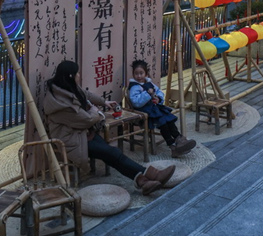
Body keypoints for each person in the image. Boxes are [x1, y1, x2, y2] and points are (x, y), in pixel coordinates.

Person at [43, 60, 175, 195]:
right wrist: (97, 111)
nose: (79, 75)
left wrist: (103, 102)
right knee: (112, 153)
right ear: (70, 76)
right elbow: (88, 119)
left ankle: (144, 181)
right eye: (77, 73)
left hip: (82, 133)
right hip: (71, 140)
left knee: (112, 153)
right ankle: (151, 175)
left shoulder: (64, 87)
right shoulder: (60, 103)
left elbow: (86, 95)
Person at [128, 60, 196, 158]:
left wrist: (158, 98)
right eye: (136, 73)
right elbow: (136, 102)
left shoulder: (148, 82)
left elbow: (159, 92)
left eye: (141, 73)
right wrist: (147, 93)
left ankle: (179, 139)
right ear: (133, 74)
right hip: (146, 112)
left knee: (169, 120)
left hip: (154, 109)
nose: (139, 76)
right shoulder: (134, 87)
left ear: (146, 73)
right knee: (163, 123)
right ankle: (173, 146)